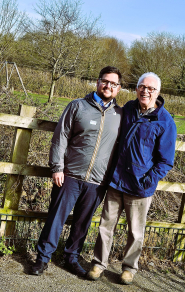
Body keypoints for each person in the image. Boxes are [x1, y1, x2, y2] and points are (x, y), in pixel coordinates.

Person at [31, 66, 123, 277]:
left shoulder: (120, 115)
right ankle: (42, 259)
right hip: (69, 175)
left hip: (98, 182)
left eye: (113, 83)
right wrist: (57, 167)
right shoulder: (77, 106)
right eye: (105, 81)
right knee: (56, 218)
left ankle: (71, 258)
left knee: (83, 223)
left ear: (118, 89)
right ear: (98, 82)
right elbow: (60, 137)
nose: (108, 86)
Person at [87, 72, 177, 285]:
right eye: (141, 87)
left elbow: (165, 161)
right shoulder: (127, 109)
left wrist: (147, 181)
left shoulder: (165, 121)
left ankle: (129, 269)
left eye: (150, 88)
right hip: (117, 180)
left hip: (140, 187)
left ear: (158, 92)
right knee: (105, 226)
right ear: (136, 89)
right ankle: (99, 264)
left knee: (135, 232)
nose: (145, 91)